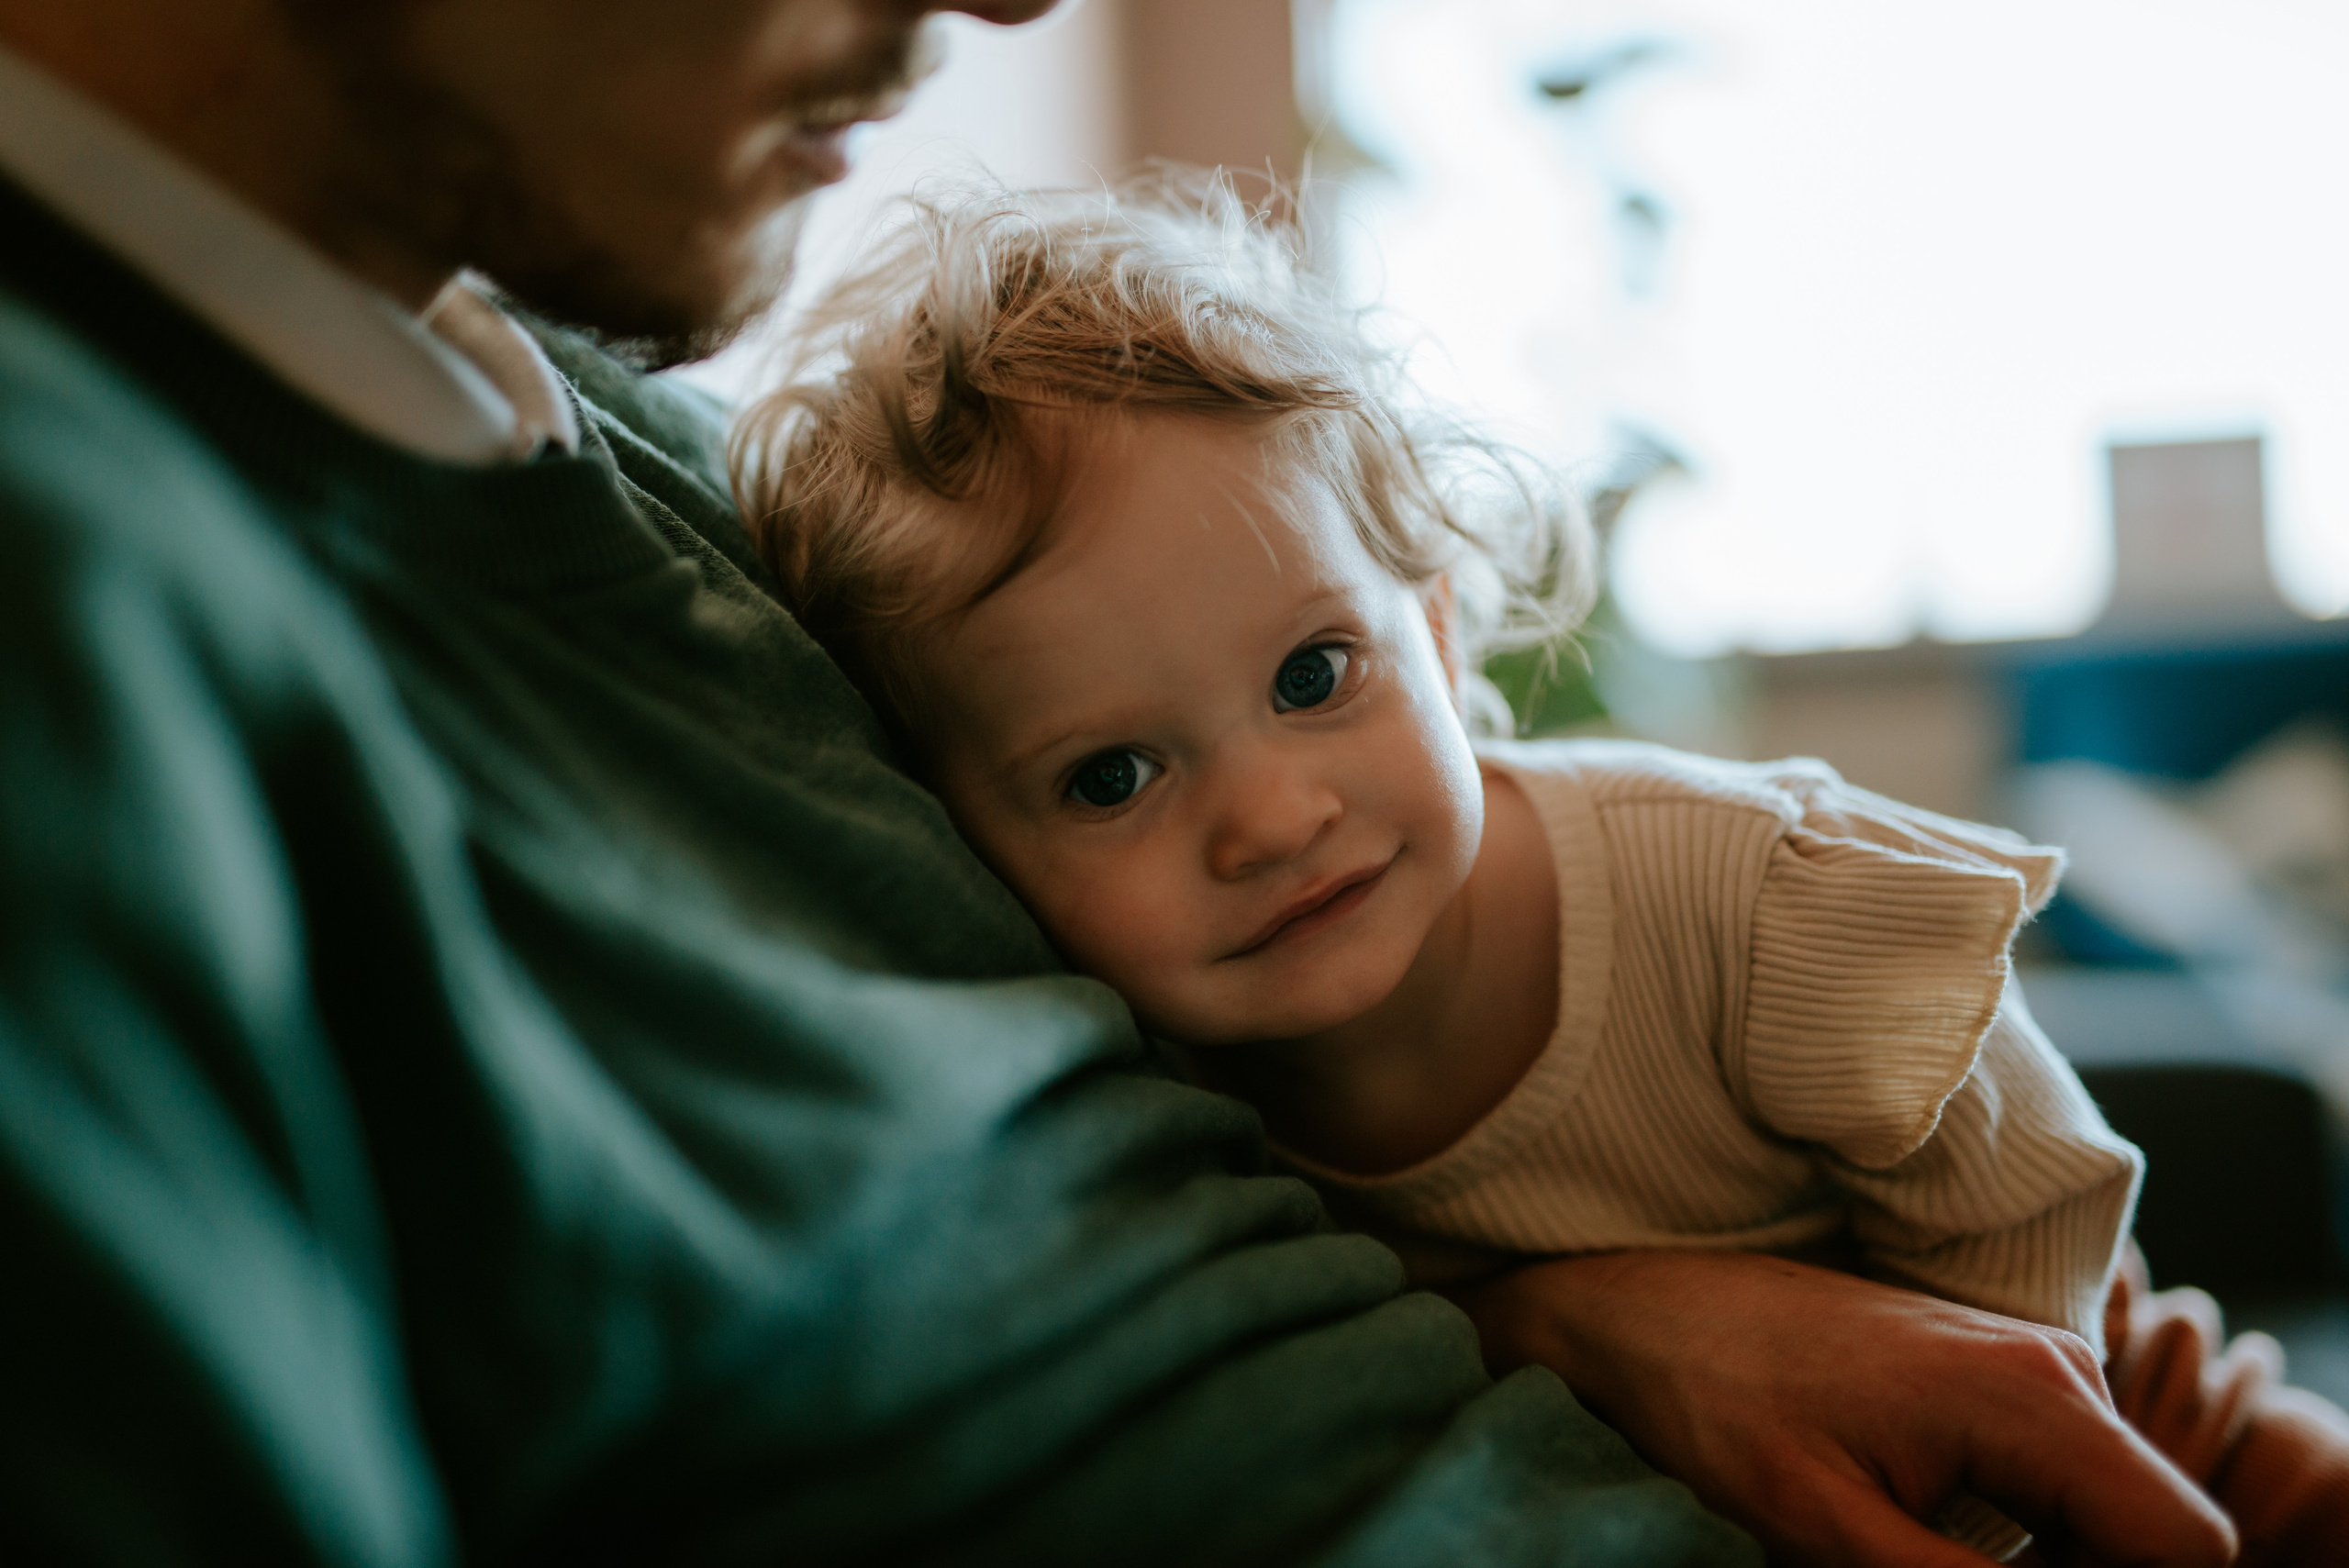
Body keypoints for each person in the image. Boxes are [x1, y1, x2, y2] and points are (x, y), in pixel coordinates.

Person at [0, 2, 2248, 1564]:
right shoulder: (85, 585)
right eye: (1103, 778)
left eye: (1313, 676)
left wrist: (1565, 1320)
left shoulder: (619, 436)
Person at [734, 176, 2349, 1562]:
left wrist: (2007, 1498)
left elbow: (2039, 1190)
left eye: (1313, 677)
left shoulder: (1743, 888)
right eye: (1112, 776)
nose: (1272, 817)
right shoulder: (1137, 1090)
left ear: (1435, 629)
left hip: (2143, 1402)